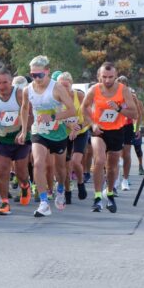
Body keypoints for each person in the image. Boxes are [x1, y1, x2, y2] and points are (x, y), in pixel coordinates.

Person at [17, 55, 76, 217]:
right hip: (39, 131)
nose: (36, 78)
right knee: (38, 163)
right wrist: (24, 131)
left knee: (60, 168)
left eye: (40, 75)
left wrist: (53, 117)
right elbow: (24, 109)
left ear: (47, 72)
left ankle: (61, 189)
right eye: (33, 75)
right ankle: (44, 202)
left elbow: (72, 110)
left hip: (58, 133)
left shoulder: (57, 88)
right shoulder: (27, 89)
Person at [82, 62, 137, 213]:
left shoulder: (123, 90)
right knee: (99, 161)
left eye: (110, 77)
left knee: (112, 167)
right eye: (104, 77)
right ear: (99, 76)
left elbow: (134, 113)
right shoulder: (94, 89)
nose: (107, 80)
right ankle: (98, 197)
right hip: (99, 131)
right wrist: (92, 124)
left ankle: (110, 192)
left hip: (117, 131)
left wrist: (119, 108)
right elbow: (84, 107)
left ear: (116, 76)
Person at [0, 68, 32, 215]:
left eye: (5, 82)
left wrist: (23, 131)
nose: (1, 86)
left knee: (20, 172)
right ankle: (5, 203)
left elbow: (30, 116)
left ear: (11, 82)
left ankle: (25, 185)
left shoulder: (19, 94)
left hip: (21, 138)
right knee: (3, 170)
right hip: (2, 139)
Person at [56, 72, 90, 204]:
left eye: (66, 86)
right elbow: (56, 118)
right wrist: (68, 125)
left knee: (76, 162)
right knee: (64, 166)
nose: (63, 89)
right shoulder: (56, 99)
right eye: (60, 86)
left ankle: (81, 183)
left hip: (80, 131)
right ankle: (67, 191)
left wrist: (77, 127)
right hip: (64, 133)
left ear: (71, 85)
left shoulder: (79, 96)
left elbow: (88, 119)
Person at [116, 76, 142, 191]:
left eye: (123, 85)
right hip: (115, 127)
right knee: (115, 154)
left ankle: (125, 180)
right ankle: (115, 179)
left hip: (127, 127)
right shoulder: (112, 96)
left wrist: (136, 129)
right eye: (119, 85)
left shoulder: (132, 97)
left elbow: (138, 114)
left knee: (126, 154)